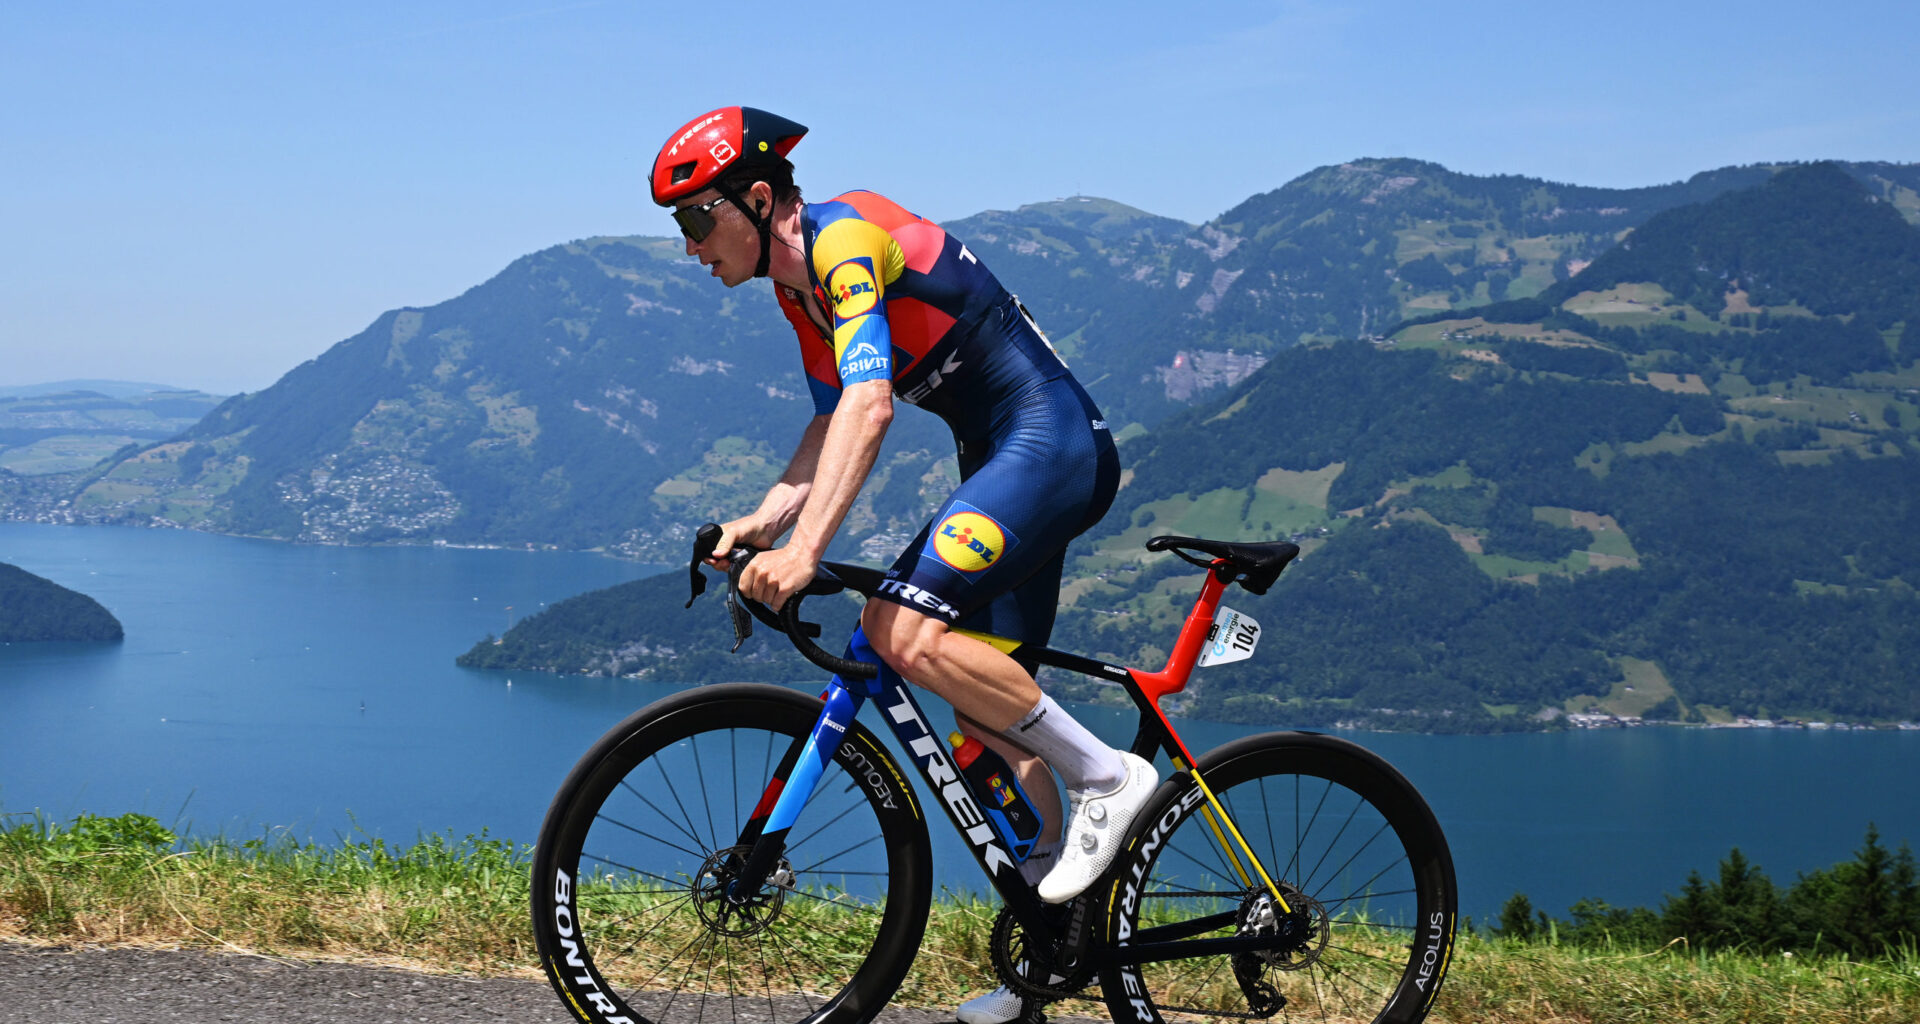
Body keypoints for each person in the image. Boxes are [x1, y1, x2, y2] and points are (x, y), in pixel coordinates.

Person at [650, 107, 1156, 1022]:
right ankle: (1049, 956)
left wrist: (806, 552)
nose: (689, 246)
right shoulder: (796, 292)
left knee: (899, 628)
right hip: (1004, 459)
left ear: (757, 200)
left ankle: (1108, 778)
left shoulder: (844, 242)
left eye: (695, 219)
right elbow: (827, 421)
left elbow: (871, 405)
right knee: (984, 714)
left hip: (1051, 446)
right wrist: (762, 520)